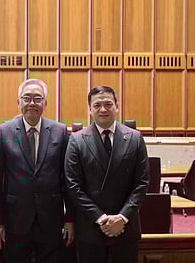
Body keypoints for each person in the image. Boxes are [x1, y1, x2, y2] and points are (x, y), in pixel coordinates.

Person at [64, 86, 149, 263]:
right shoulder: (77, 140)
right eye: (97, 105)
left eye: (108, 104)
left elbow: (142, 183)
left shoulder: (135, 138)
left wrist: (122, 217)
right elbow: (73, 186)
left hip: (125, 227)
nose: (103, 109)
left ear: (116, 106)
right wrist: (101, 218)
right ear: (89, 109)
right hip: (91, 228)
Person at [0, 79, 74, 263]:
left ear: (45, 103)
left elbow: (67, 178)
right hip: (15, 220)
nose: (32, 103)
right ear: (19, 102)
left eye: (37, 98)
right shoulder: (3, 132)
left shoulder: (59, 131)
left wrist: (70, 218)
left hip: (51, 220)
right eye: (27, 98)